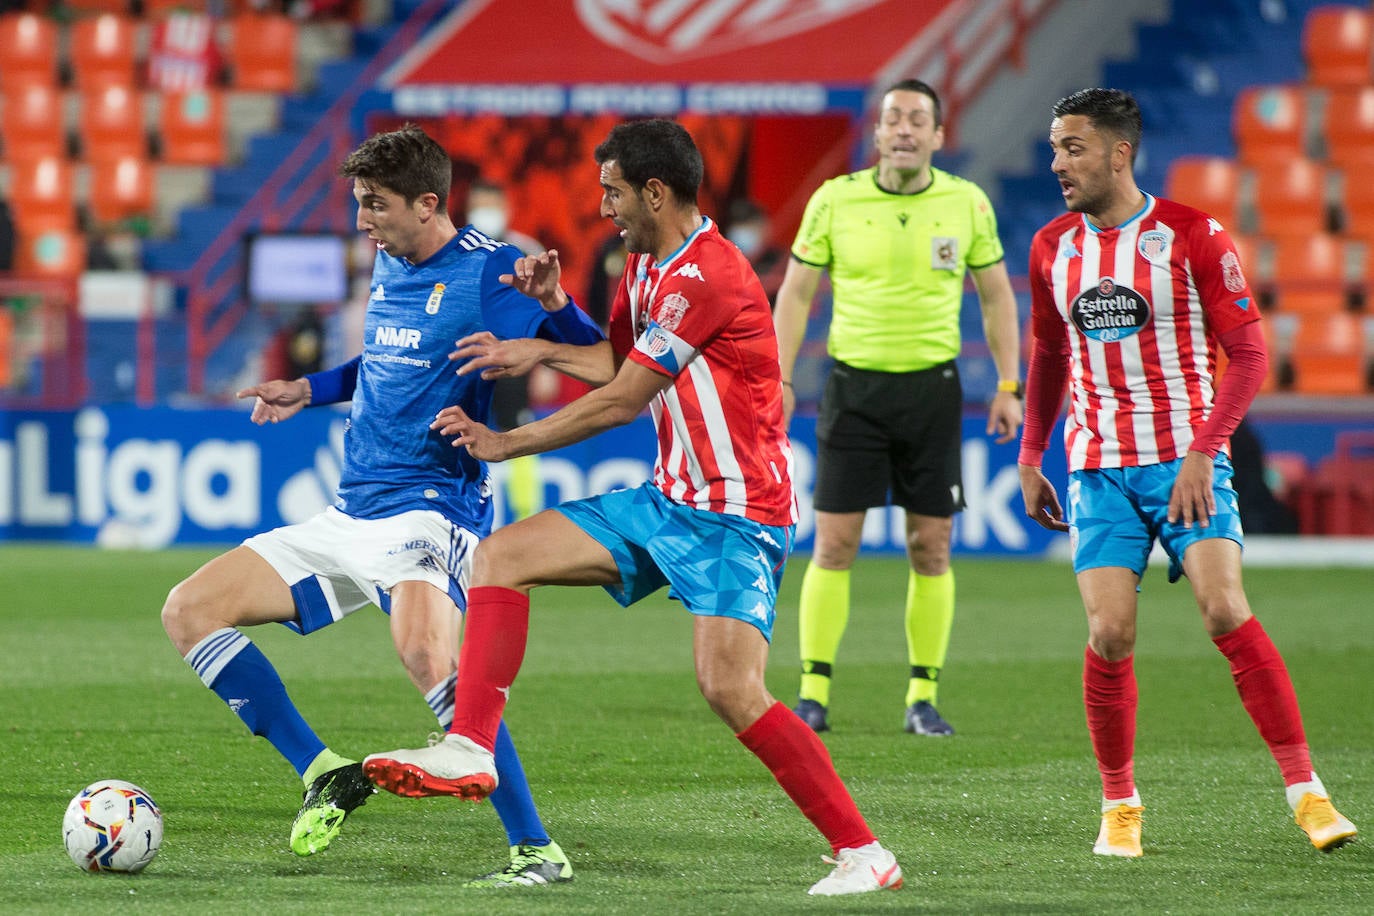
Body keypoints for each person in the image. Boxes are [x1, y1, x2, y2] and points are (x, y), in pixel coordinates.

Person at [362, 118, 904, 897]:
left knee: (730, 689)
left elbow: (622, 399)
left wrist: (506, 442)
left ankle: (865, 852)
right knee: (500, 557)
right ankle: (472, 746)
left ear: (656, 190)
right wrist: (546, 335)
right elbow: (617, 359)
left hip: (736, 514)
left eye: (613, 190)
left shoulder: (707, 273)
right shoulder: (642, 264)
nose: (603, 205)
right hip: (668, 498)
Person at [160, 124, 605, 886]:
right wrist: (308, 389)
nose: (361, 219)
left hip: (431, 511)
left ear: (429, 203)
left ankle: (536, 848)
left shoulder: (494, 270)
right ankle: (324, 771)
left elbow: (602, 361)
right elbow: (384, 358)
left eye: (375, 205)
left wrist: (557, 306)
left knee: (430, 658)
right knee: (187, 609)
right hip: (349, 513)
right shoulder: (389, 259)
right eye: (358, 203)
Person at [1017, 88, 1358, 858]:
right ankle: (1119, 807)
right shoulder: (1050, 248)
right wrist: (1033, 453)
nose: (1057, 163)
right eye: (1053, 147)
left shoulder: (1191, 236)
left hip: (1185, 463)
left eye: (1072, 147)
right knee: (1109, 633)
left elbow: (1250, 355)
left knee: (1224, 610)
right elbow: (1047, 356)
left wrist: (1206, 450)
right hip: (1099, 468)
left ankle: (1308, 794)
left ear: (1119, 152)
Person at [772, 78, 1023, 737]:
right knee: (834, 543)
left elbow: (996, 296)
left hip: (932, 393)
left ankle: (921, 697)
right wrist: (781, 376)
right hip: (852, 389)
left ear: (940, 136)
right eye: (894, 119)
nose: (905, 129)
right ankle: (812, 693)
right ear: (877, 134)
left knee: (930, 546)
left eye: (919, 119)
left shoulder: (967, 203)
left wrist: (1008, 383)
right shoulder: (835, 200)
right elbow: (795, 295)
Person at [465, 176, 552, 521]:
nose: (485, 213)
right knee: (463, 433)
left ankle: (527, 516)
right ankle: (465, 511)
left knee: (519, 434)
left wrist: (544, 364)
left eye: (491, 206)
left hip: (512, 362)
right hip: (466, 361)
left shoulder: (525, 249)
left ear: (506, 209)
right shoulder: (457, 249)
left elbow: (545, 311)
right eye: (479, 206)